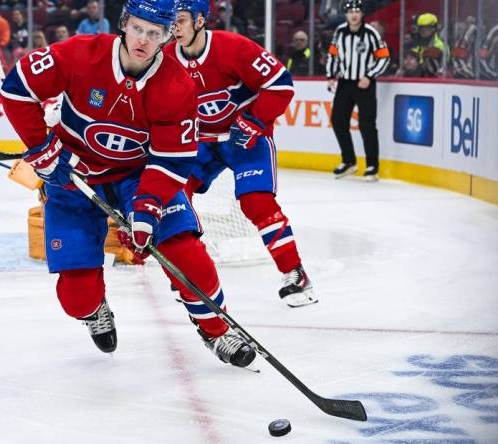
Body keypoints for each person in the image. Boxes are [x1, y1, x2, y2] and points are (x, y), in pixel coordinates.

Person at [0, 0, 257, 367]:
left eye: (155, 33)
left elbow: (171, 159)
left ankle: (217, 330)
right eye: (137, 28)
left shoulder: (177, 85)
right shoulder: (80, 53)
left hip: (137, 176)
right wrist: (43, 151)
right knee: (76, 296)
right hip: (73, 174)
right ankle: (93, 310)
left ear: (168, 36)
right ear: (123, 24)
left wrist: (147, 208)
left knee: (186, 252)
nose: (143, 40)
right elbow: (17, 90)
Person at [166, 0, 316, 308]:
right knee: (173, 196)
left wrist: (255, 121)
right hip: (201, 144)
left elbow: (280, 84)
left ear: (198, 21)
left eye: (180, 20)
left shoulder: (232, 47)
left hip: (243, 139)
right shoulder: (165, 59)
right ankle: (188, 268)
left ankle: (294, 272)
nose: (174, 28)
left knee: (255, 202)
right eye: (171, 21)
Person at [325, 0, 389, 181]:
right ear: (345, 14)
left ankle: (372, 166)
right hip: (345, 83)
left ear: (362, 14)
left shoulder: (371, 33)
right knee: (338, 120)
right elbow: (333, 55)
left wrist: (369, 75)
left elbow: (384, 57)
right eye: (350, 11)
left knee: (367, 125)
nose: (353, 15)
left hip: (365, 85)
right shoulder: (340, 32)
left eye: (357, 11)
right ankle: (349, 161)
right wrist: (331, 76)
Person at [412, 13, 447, 78]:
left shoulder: (439, 45)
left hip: (434, 80)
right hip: (417, 78)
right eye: (421, 28)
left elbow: (435, 67)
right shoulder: (417, 44)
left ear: (433, 29)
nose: (423, 31)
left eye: (426, 28)